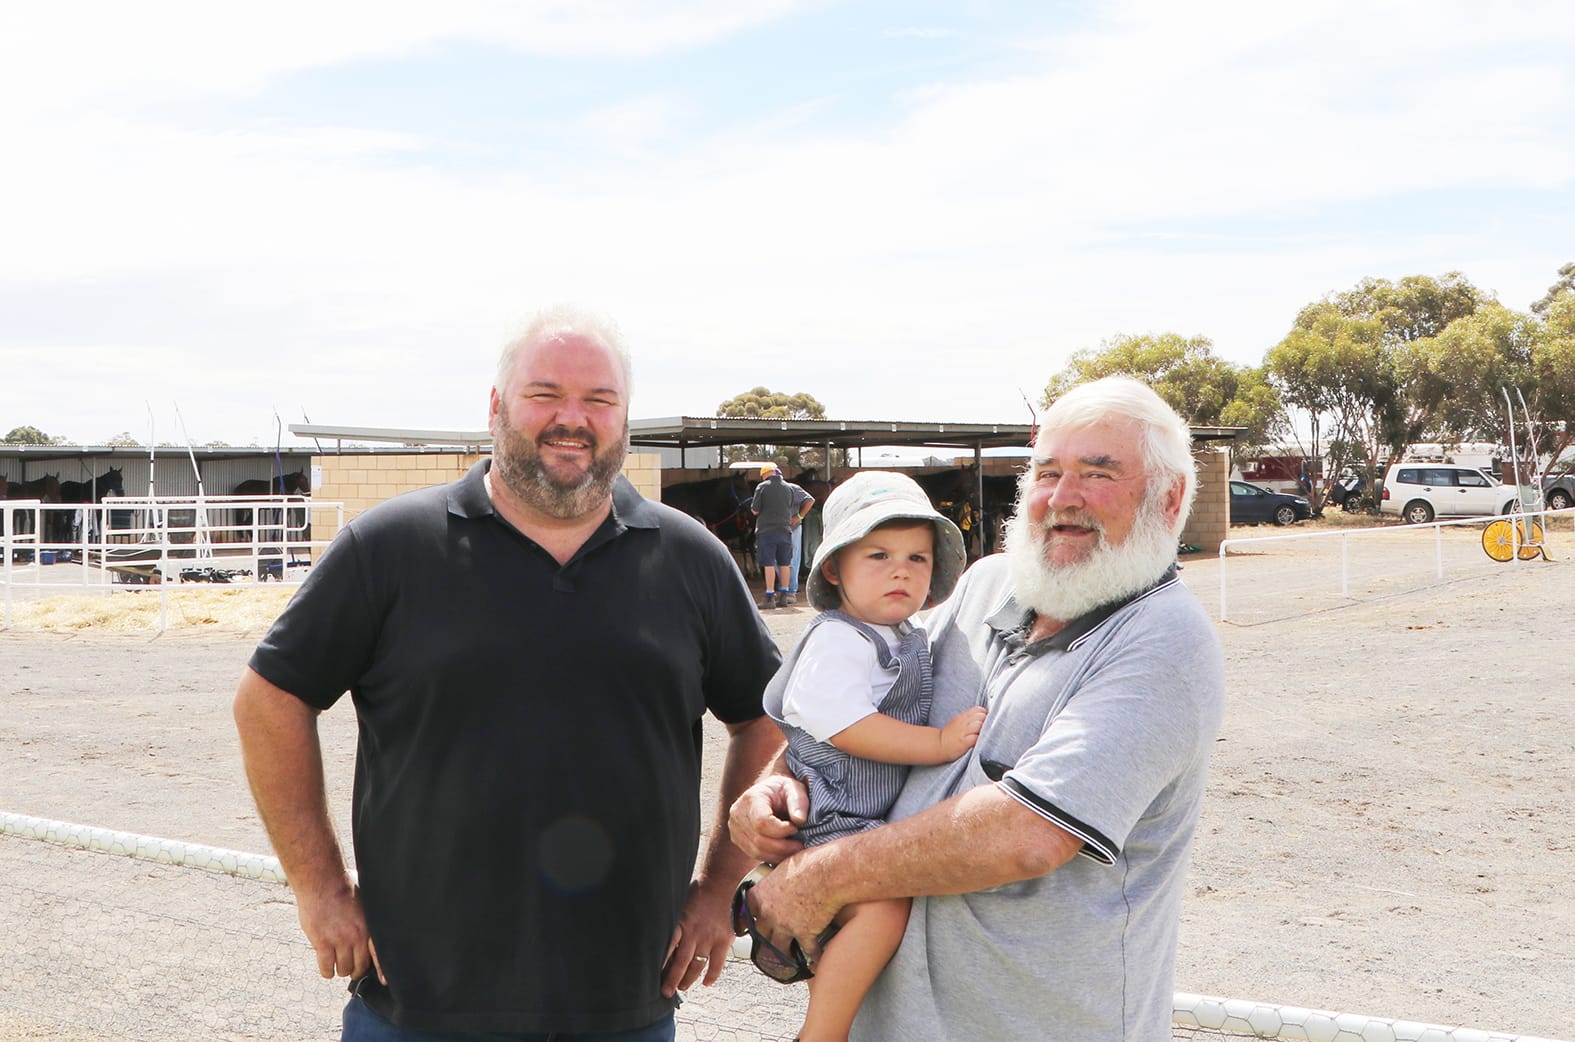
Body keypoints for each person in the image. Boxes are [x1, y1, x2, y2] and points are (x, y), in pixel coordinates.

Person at [233, 306, 785, 1041]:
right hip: (420, 1005)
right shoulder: (392, 548)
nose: (572, 419)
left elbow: (767, 717)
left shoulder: (691, 561)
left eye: (599, 400)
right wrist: (319, 888)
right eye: (545, 394)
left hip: (625, 1007)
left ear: (623, 418)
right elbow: (269, 698)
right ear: (496, 407)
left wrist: (719, 887)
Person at [730, 375, 1226, 1042]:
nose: (1062, 498)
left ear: (1167, 501)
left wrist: (816, 878)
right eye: (1047, 472)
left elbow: (1026, 835)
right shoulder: (988, 585)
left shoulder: (1163, 642)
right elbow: (860, 708)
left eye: (1096, 474)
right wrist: (776, 783)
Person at [737, 472, 986, 1042]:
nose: (901, 570)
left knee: (874, 912)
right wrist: (938, 745)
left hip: (861, 811)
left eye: (917, 558)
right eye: (878, 554)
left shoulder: (904, 633)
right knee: (882, 907)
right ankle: (821, 1034)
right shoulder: (839, 639)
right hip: (832, 810)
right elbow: (844, 726)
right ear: (833, 568)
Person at [751, 462, 813, 608]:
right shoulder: (789, 488)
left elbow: (755, 510)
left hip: (767, 530)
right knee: (785, 563)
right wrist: (797, 516)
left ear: (764, 475)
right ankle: (785, 595)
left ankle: (770, 596)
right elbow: (790, 506)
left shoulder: (762, 487)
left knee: (769, 563)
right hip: (786, 530)